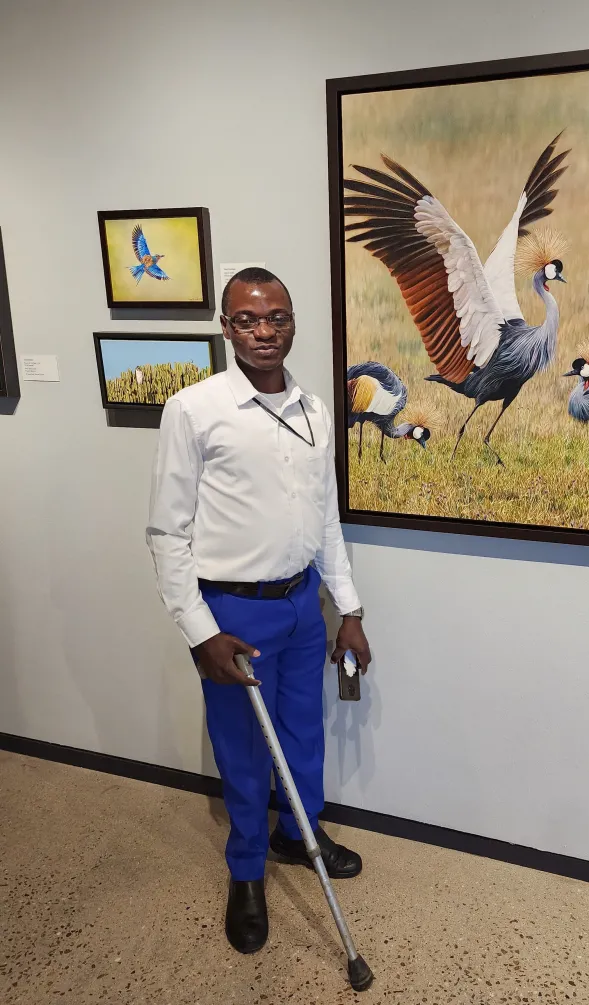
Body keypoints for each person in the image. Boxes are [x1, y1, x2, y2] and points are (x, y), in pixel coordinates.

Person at [146, 267, 371, 954]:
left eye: (275, 316)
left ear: (293, 320)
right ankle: (246, 870)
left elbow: (324, 517)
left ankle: (296, 832)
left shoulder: (314, 410)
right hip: (235, 613)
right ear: (225, 325)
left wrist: (350, 609)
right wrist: (200, 631)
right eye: (246, 319)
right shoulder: (194, 409)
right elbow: (166, 532)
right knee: (245, 752)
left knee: (304, 730)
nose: (263, 331)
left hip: (303, 605)